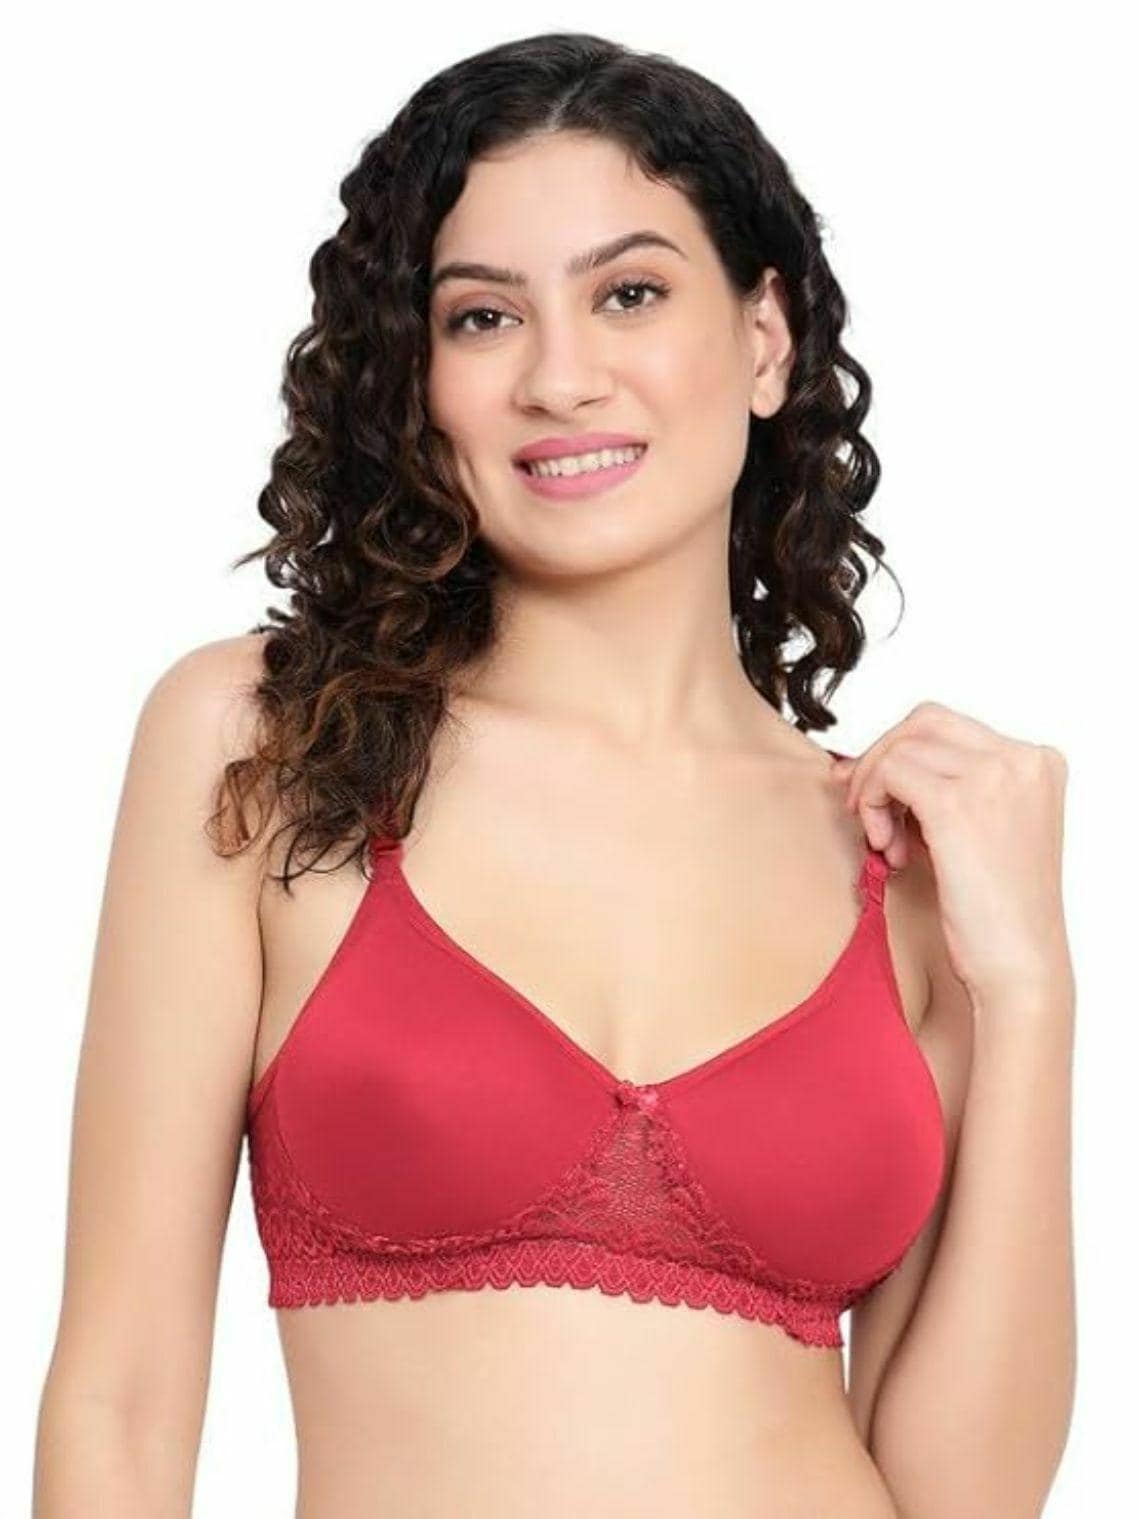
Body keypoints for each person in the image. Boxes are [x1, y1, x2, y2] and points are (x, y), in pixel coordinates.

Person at [33, 30, 1076, 1519]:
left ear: (766, 339)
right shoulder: (272, 744)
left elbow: (963, 1499)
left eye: (629, 294)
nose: (561, 377)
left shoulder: (903, 857)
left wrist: (1031, 990)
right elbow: (121, 1402)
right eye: (482, 318)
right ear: (420, 380)